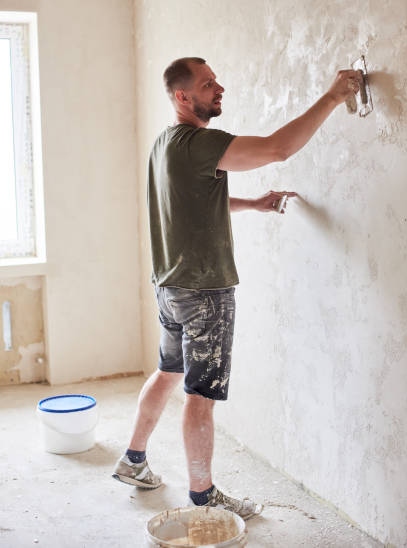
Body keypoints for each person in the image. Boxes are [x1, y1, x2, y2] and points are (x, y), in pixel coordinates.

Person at [112, 57, 362, 519]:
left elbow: (197, 201)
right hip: (205, 291)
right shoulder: (200, 143)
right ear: (183, 96)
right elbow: (277, 149)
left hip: (170, 286)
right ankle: (204, 497)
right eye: (208, 85)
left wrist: (253, 203)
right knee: (200, 394)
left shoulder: (165, 143)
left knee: (168, 371)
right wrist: (333, 95)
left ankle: (133, 461)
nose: (219, 88)